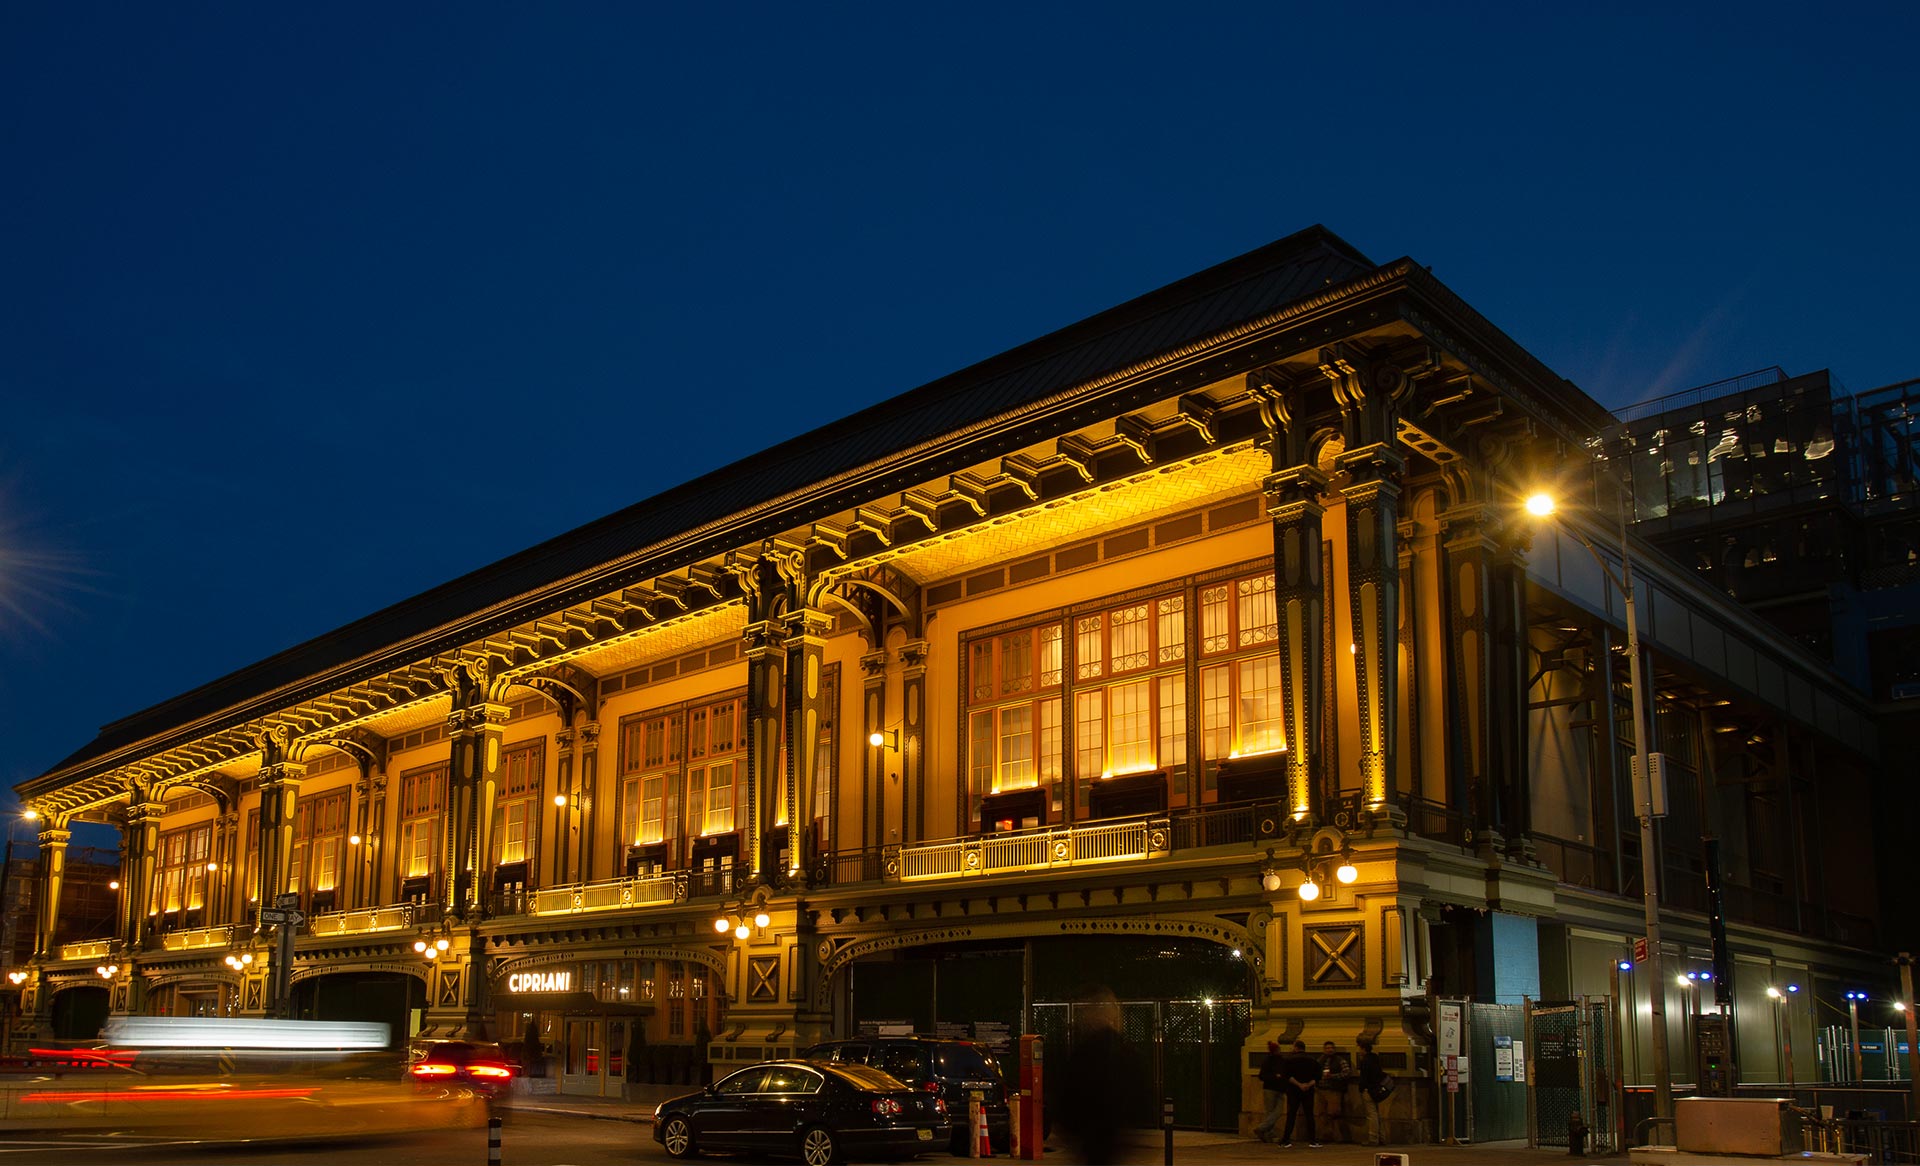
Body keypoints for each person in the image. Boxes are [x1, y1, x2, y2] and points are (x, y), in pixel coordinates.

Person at [1055, 985, 1151, 1164]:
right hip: (1114, 1140)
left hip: (1089, 1141)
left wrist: (1071, 1132)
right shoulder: (1127, 1052)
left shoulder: (1081, 1053)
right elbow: (1141, 1098)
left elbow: (1065, 1096)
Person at [1277, 1039, 1321, 1147]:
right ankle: (1312, 1140)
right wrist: (1307, 1085)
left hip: (1293, 1091)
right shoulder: (1313, 1060)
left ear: (1296, 1047)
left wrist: (1299, 1084)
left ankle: (1286, 1140)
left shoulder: (1289, 1060)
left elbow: (1286, 1076)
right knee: (1309, 1115)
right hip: (1308, 1091)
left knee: (1291, 1115)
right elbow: (1318, 1076)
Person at [1315, 1039, 1352, 1143]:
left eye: (1331, 1048)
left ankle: (1338, 1136)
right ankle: (1325, 1135)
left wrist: (1333, 1076)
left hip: (1334, 1090)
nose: (1329, 1050)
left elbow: (1346, 1072)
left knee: (1334, 1113)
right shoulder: (1320, 1060)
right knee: (1322, 1114)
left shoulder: (1340, 1060)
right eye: (1327, 1048)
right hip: (1321, 1090)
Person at [1252, 1040, 1286, 1141]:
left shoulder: (1281, 1060)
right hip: (1270, 1089)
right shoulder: (1267, 1061)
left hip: (1279, 1089)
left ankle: (1262, 1128)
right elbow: (1262, 1076)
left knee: (1277, 1112)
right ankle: (1269, 1133)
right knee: (1271, 1112)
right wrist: (1275, 1077)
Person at [1356, 1035, 1387, 1146]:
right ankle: (1382, 1137)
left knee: (1372, 1114)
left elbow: (1364, 1077)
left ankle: (1373, 1138)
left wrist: (1361, 1088)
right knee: (1377, 1114)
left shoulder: (1365, 1061)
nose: (1359, 1051)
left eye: (1360, 1049)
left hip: (1369, 1090)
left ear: (1363, 1049)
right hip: (1377, 1089)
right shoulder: (1375, 1058)